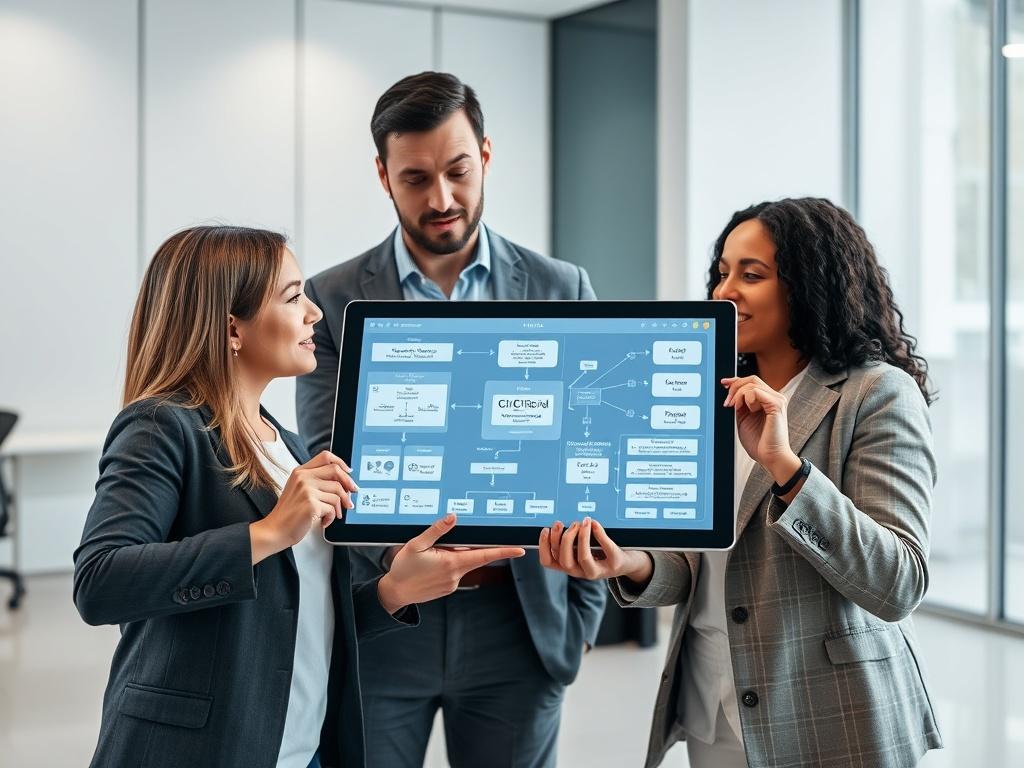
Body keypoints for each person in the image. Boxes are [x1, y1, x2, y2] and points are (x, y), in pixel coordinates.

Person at [73, 225, 524, 768]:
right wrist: (266, 533)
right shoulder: (160, 425)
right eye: (293, 297)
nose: (314, 313)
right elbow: (100, 582)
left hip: (298, 750)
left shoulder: (284, 444)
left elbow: (293, 617)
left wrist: (394, 590)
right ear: (231, 327)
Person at [539, 198, 943, 767]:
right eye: (722, 272)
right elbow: (695, 561)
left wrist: (787, 468)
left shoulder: (876, 394)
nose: (725, 290)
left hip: (828, 716)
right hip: (715, 706)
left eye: (751, 275)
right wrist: (627, 564)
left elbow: (897, 582)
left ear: (809, 284)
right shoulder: (707, 395)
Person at [296, 71, 607, 768]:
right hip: (385, 616)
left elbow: (589, 457)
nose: (441, 199)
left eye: (458, 171)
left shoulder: (562, 288)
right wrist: (395, 575)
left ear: (486, 155)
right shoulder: (332, 298)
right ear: (382, 176)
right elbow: (328, 462)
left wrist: (582, 619)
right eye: (414, 179)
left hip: (519, 621)